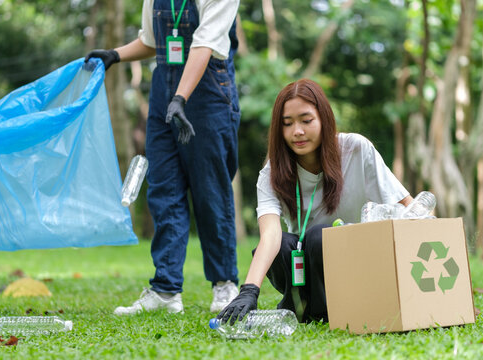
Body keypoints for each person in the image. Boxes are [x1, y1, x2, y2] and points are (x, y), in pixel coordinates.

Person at [85, 0, 241, 314]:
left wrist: (181, 98)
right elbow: (151, 43)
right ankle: (166, 289)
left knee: (210, 190)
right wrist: (115, 55)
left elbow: (205, 43)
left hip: (208, 91)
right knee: (163, 190)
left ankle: (225, 285)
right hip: (163, 91)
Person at [217, 79, 412, 324]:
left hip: (357, 261)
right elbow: (270, 235)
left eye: (306, 121)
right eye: (287, 124)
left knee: (321, 236)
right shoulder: (271, 174)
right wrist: (249, 290)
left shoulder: (356, 149)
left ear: (324, 119)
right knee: (284, 247)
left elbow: (409, 207)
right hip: (307, 266)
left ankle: (322, 310)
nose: (297, 131)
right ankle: (304, 306)